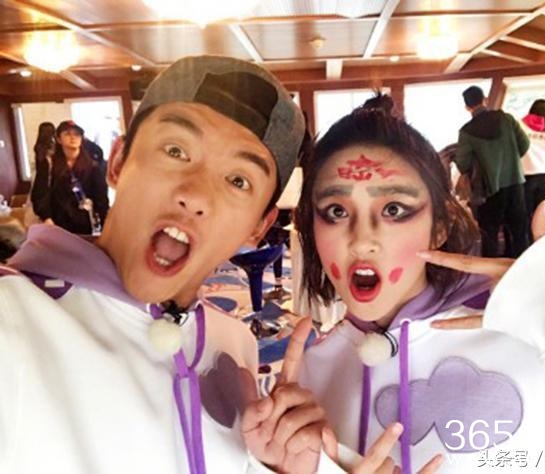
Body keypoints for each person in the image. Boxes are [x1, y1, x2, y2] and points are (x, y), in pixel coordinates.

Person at [1, 55, 344, 474]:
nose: (195, 195)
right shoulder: (12, 318)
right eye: (176, 150)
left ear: (259, 224)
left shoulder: (234, 342)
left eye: (238, 180)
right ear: (119, 162)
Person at [294, 102, 545, 473]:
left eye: (393, 209)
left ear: (439, 227)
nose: (361, 241)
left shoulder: (534, 336)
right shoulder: (307, 376)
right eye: (336, 211)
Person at [454, 86, 530, 258]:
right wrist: (510, 161)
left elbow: (462, 163)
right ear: (485, 99)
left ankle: (491, 270)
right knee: (519, 232)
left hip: (489, 190)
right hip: (515, 182)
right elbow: (524, 144)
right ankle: (521, 267)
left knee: (490, 234)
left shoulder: (466, 131)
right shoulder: (507, 119)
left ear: (467, 107)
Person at [30, 120, 109, 235]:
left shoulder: (92, 166)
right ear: (58, 139)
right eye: (67, 134)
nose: (73, 138)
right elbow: (40, 193)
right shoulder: (50, 164)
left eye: (77, 134)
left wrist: (104, 223)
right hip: (57, 223)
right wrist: (46, 217)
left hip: (85, 223)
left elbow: (101, 198)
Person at [520, 99, 545, 237]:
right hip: (543, 177)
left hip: (526, 175)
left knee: (523, 215)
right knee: (537, 217)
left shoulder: (520, 126)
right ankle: (532, 244)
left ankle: (521, 245)